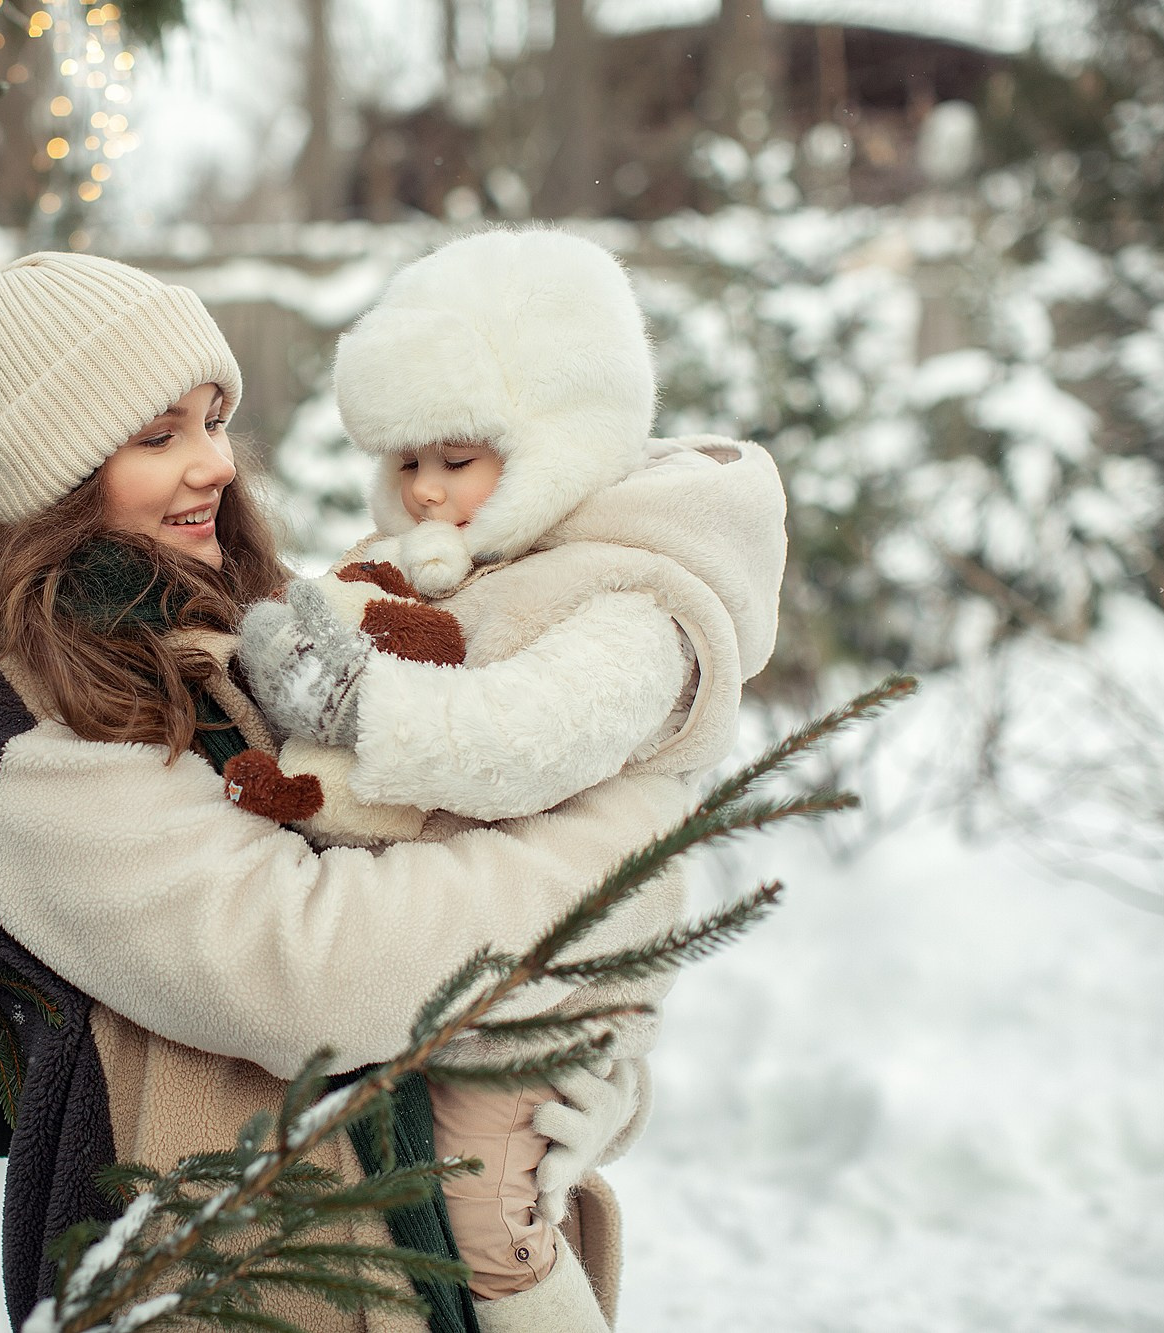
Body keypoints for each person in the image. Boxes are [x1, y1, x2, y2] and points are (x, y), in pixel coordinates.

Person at [0, 251, 691, 1333]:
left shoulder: (224, 626)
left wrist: (568, 1097)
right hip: (235, 1282)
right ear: (51, 473)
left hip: (387, 1244)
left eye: (213, 419)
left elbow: (420, 847)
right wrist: (619, 860)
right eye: (156, 435)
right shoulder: (3, 718)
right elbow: (310, 966)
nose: (214, 462)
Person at [232, 228, 788, 1330]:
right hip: (466, 973)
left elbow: (526, 735)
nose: (429, 494)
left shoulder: (637, 595)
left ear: (553, 438)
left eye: (459, 457)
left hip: (549, 994)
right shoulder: (488, 554)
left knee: (490, 1225)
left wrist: (355, 706)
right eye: (407, 464)